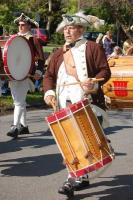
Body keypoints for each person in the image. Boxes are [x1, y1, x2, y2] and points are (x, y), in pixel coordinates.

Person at [43, 13, 111, 197]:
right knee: (72, 142)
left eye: (71, 28)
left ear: (81, 29)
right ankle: (83, 176)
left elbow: (105, 70)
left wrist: (93, 82)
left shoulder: (93, 47)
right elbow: (49, 76)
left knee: (79, 142)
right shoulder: (58, 53)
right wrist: (49, 93)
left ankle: (72, 180)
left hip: (87, 102)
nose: (67, 31)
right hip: (64, 103)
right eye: (65, 28)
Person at [6, 13, 45, 139]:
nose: (20, 27)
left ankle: (15, 126)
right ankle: (24, 126)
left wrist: (39, 72)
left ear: (29, 26)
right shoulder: (13, 39)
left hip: (26, 73)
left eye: (23, 25)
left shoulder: (33, 39)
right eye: (19, 25)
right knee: (18, 101)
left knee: (18, 101)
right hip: (12, 74)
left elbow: (41, 59)